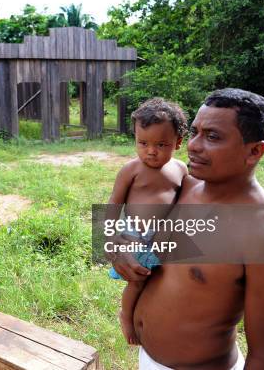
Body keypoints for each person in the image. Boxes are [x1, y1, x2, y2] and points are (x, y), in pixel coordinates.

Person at [112, 88, 264, 369]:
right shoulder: (184, 187)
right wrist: (116, 246)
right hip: (147, 358)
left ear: (254, 151)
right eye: (195, 132)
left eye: (212, 136)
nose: (193, 145)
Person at [107, 98, 188, 345]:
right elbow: (113, 205)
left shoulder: (181, 169)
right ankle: (126, 316)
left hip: (164, 237)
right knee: (137, 281)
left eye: (161, 144)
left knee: (165, 281)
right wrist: (111, 238)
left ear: (178, 143)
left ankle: (159, 315)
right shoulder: (131, 170)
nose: (151, 151)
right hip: (135, 235)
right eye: (143, 143)